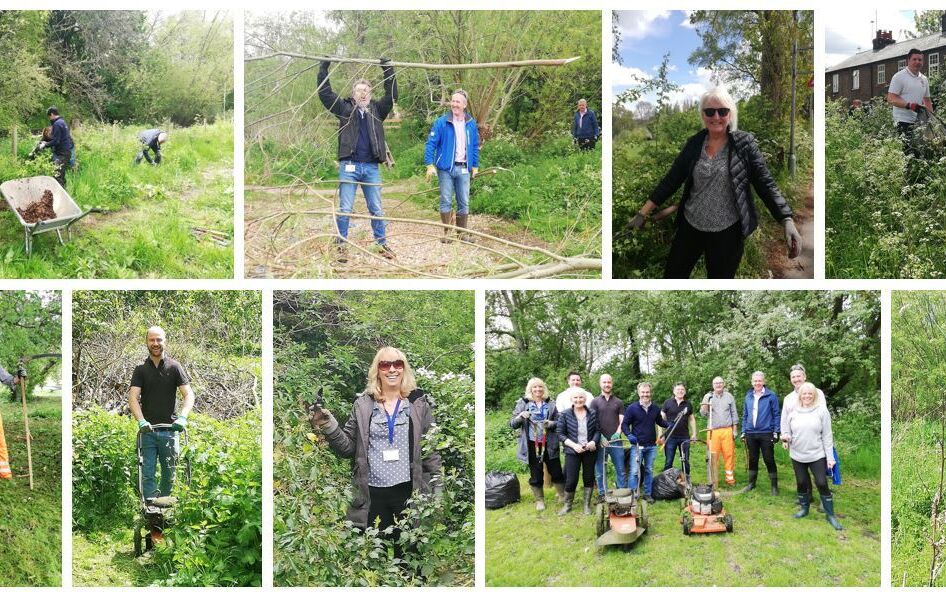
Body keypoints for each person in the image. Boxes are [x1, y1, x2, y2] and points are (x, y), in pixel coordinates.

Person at [626, 86, 801, 279]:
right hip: (690, 226)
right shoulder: (694, 144)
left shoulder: (744, 144)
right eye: (709, 111)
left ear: (730, 114)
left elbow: (765, 184)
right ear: (702, 115)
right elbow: (671, 180)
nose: (716, 116)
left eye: (722, 111)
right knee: (673, 276)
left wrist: (786, 219)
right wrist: (642, 213)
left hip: (728, 232)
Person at [309, 346, 442, 537]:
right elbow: (347, 448)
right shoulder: (363, 405)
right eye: (385, 365)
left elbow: (431, 450)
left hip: (408, 492)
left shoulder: (418, 404)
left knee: (409, 553)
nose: (392, 369)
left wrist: (438, 488)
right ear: (377, 370)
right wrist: (329, 425)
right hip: (372, 493)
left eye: (397, 364)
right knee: (372, 554)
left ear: (404, 368)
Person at [318, 59, 397, 263]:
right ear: (354, 94)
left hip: (371, 167)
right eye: (359, 90)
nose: (362, 93)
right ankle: (341, 246)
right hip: (349, 167)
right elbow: (325, 94)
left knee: (377, 209)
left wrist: (387, 69)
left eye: (366, 90)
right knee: (345, 208)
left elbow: (392, 95)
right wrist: (324, 67)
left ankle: (381, 244)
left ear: (370, 94)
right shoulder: (345, 109)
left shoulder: (377, 110)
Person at [127, 326, 195, 504]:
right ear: (147, 342)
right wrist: (141, 421)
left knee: (170, 473)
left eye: (159, 340)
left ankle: (166, 508)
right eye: (152, 340)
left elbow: (188, 394)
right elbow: (133, 397)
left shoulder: (174, 367)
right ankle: (150, 509)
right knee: (147, 473)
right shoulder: (140, 370)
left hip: (170, 431)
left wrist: (183, 417)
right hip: (148, 432)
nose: (155, 343)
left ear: (165, 341)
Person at [781, 382, 841, 530]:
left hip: (817, 454)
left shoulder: (821, 411)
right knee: (801, 483)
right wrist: (786, 437)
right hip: (797, 455)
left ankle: (830, 515)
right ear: (800, 395)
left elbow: (827, 436)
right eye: (804, 393)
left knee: (821, 482)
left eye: (810, 393)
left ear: (814, 395)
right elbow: (786, 430)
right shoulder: (793, 411)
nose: (807, 396)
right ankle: (804, 509)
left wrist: (830, 458)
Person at [425, 89, 480, 244]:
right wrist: (429, 164)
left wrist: (475, 165)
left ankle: (462, 235)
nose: (454, 104)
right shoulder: (441, 122)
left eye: (458, 102)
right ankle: (448, 234)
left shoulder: (471, 124)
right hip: (446, 169)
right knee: (446, 200)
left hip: (464, 168)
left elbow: (475, 146)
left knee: (464, 201)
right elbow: (431, 144)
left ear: (464, 105)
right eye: (453, 101)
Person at [510, 377, 565, 511]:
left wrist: (551, 423)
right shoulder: (523, 404)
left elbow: (560, 423)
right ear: (530, 389)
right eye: (535, 387)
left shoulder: (551, 404)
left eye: (540, 387)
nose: (538, 389)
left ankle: (562, 495)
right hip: (531, 444)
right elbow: (512, 424)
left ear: (543, 389)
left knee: (556, 471)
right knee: (536, 473)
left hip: (550, 443)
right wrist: (520, 416)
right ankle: (540, 501)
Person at [621, 382, 669, 502]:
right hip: (637, 446)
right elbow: (625, 425)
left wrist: (669, 424)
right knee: (634, 472)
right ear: (639, 393)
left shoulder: (655, 408)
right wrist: (629, 435)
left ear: (650, 393)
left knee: (649, 470)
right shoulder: (632, 408)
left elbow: (660, 422)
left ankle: (647, 494)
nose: (645, 394)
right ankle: (632, 494)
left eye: (647, 392)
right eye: (643, 392)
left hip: (651, 446)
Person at [556, 388, 598, 515]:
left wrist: (593, 442)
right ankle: (567, 506)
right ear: (571, 400)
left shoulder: (593, 413)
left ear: (585, 399)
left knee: (589, 477)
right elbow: (560, 434)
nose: (578, 400)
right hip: (572, 451)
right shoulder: (564, 414)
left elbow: (597, 431)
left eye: (581, 397)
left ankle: (586, 506)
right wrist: (574, 446)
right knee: (571, 479)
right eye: (576, 398)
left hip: (589, 451)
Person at [740, 371, 781, 495]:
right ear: (752, 382)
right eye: (755, 381)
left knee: (769, 459)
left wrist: (776, 431)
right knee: (753, 459)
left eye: (759, 381)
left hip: (766, 432)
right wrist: (743, 431)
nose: (757, 383)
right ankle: (751, 483)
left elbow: (776, 414)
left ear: (763, 381)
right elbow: (745, 415)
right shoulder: (748, 396)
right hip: (750, 433)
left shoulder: (771, 396)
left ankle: (774, 486)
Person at [887, 49, 933, 158]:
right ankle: (905, 174)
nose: (917, 62)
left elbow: (927, 100)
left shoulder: (924, 79)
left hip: (919, 121)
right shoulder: (899, 77)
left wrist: (930, 118)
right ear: (908, 60)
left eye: (920, 60)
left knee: (921, 152)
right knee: (908, 153)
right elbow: (891, 98)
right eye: (914, 59)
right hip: (903, 121)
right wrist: (909, 105)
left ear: (923, 62)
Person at [589, 374, 626, 496]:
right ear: (600, 384)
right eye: (604, 382)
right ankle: (602, 493)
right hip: (600, 441)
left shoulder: (619, 402)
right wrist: (600, 437)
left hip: (616, 441)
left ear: (612, 383)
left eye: (609, 382)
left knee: (620, 468)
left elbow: (622, 420)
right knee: (600, 470)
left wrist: (618, 433)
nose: (607, 384)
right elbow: (593, 421)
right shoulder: (594, 402)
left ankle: (621, 492)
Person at [700, 376, 739, 486]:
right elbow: (703, 414)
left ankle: (730, 479)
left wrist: (734, 430)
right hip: (713, 431)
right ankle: (713, 479)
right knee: (713, 455)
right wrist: (705, 401)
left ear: (723, 384)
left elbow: (734, 413)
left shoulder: (729, 396)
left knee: (729, 454)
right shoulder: (709, 397)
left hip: (727, 430)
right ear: (713, 385)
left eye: (720, 383)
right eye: (716, 383)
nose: (718, 385)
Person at [660, 382, 696, 476]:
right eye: (678, 389)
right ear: (674, 391)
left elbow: (691, 419)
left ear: (685, 391)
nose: (680, 391)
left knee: (685, 461)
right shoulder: (667, 403)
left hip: (684, 437)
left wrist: (694, 433)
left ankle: (686, 481)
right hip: (670, 437)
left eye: (682, 389)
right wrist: (661, 435)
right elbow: (661, 419)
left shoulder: (688, 404)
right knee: (669, 461)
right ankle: (666, 482)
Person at [37, 107, 75, 189]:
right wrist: (46, 142)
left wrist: (45, 145)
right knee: (60, 174)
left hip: (62, 154)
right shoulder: (62, 122)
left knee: (57, 175)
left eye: (49, 117)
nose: (49, 119)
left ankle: (60, 194)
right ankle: (64, 192)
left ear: (52, 114)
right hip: (66, 152)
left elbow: (56, 141)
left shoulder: (57, 124)